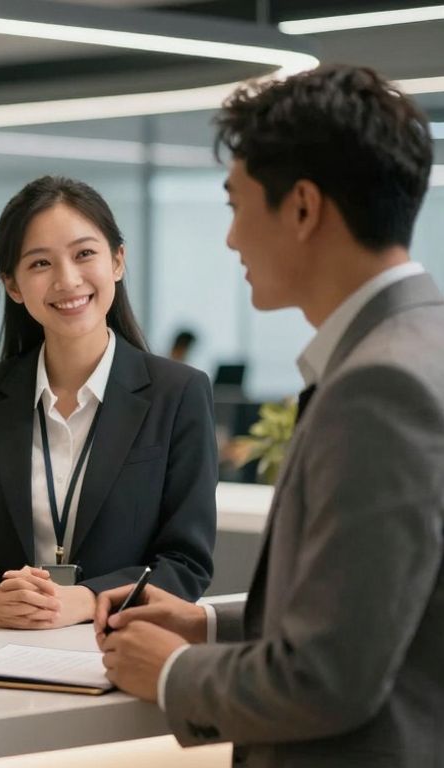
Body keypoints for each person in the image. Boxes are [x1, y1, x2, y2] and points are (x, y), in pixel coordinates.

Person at [96, 65, 443, 767]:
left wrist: (168, 671)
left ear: (304, 207)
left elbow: (329, 678)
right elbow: (384, 610)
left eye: (236, 204)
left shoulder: (379, 385)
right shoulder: (417, 345)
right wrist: (205, 623)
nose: (229, 240)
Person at [0, 176, 216, 629]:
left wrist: (86, 599)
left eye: (84, 254)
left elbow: (185, 562)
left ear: (117, 261)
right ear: (13, 285)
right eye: (40, 263)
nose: (67, 280)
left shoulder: (178, 394)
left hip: (118, 647)